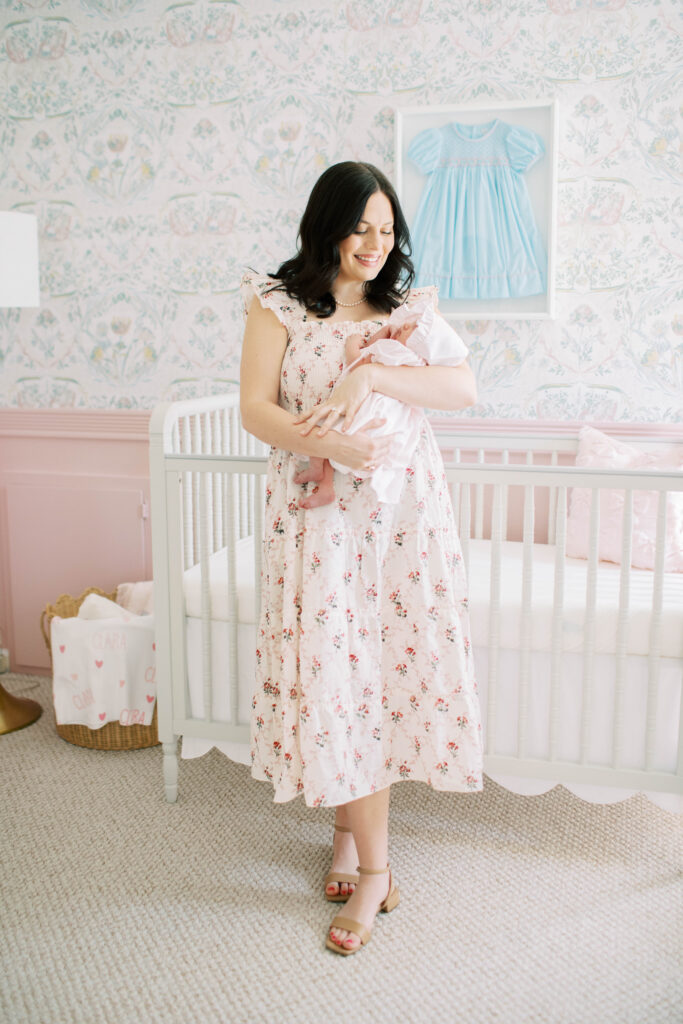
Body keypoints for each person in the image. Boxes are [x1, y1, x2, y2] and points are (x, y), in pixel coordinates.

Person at [239, 161, 483, 957]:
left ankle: (371, 868)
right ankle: (351, 841)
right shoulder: (279, 305)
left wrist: (376, 370)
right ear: (327, 225)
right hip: (319, 525)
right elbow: (255, 410)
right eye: (361, 229)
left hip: (399, 529)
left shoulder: (407, 311)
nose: (375, 245)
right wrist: (328, 441)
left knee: (374, 675)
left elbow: (461, 391)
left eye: (387, 230)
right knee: (336, 679)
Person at [292, 298, 470, 508]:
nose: (404, 325)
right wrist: (388, 335)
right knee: (330, 436)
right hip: (383, 417)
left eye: (412, 329)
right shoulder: (412, 361)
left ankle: (322, 479)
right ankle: (324, 485)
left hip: (369, 412)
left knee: (325, 429)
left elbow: (361, 361)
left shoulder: (400, 354)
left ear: (420, 346)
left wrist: (353, 346)